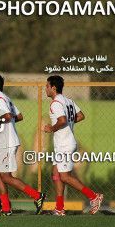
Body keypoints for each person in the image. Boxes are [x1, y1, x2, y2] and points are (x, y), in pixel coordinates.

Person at [0, 73, 46, 215]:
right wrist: (7, 122)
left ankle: (37, 196)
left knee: (5, 176)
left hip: (7, 142)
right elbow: (18, 116)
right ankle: (6, 208)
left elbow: (7, 116)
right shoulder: (5, 98)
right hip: (3, 141)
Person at [43, 75, 103, 216]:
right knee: (56, 173)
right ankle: (59, 208)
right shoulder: (68, 101)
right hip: (65, 143)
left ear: (54, 87)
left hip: (64, 144)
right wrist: (68, 122)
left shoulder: (56, 103)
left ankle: (94, 196)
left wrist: (51, 128)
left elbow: (62, 120)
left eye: (47, 86)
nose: (45, 89)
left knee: (64, 176)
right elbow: (81, 115)